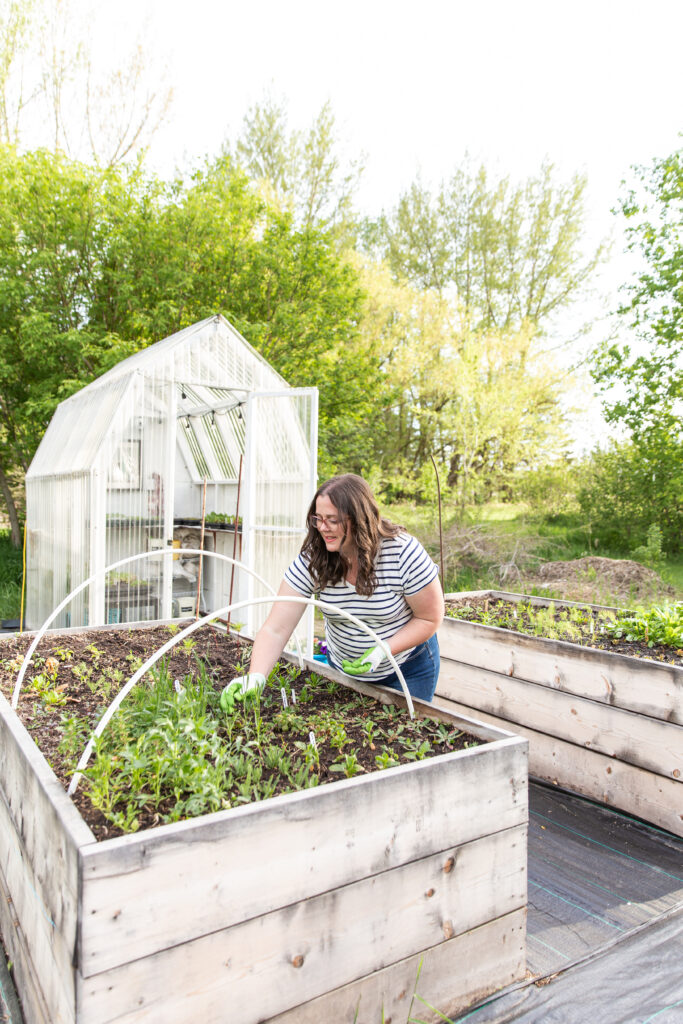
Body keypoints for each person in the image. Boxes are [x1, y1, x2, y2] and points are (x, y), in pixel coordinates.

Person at [223, 474, 444, 706]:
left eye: (332, 520)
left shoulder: (401, 552)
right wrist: (256, 676)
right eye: (317, 518)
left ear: (359, 519)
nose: (322, 528)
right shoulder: (316, 557)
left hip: (405, 669)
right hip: (344, 670)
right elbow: (277, 628)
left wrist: (383, 650)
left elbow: (429, 618)